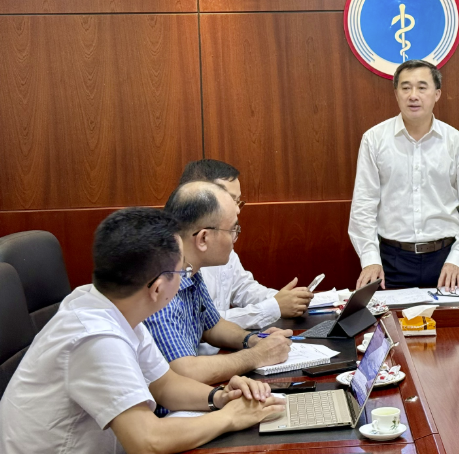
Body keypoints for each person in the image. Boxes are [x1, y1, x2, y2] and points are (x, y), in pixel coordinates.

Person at [0, 208, 282, 454]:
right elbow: (147, 441)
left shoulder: (115, 306)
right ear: (158, 288)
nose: (186, 278)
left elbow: (165, 385)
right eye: (182, 272)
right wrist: (230, 417)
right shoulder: (94, 337)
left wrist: (220, 397)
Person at [349, 59, 459, 291]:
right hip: (392, 262)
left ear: (437, 94)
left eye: (422, 87)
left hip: (446, 261)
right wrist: (370, 259)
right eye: (406, 88)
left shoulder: (456, 142)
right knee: (392, 316)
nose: (413, 95)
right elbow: (363, 206)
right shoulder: (374, 140)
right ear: (396, 94)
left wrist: (458, 258)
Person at [144, 181, 293, 387]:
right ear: (203, 238)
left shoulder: (190, 269)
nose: (235, 238)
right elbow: (185, 371)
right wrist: (258, 355)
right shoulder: (161, 282)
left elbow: (212, 326)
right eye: (233, 230)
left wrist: (253, 340)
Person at [177, 159, 313, 355]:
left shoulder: (201, 265)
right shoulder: (170, 271)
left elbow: (213, 321)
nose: (237, 209)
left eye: (238, 201)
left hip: (220, 355)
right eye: (230, 200)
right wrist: (272, 310)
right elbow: (182, 366)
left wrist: (286, 301)